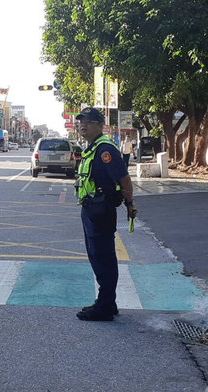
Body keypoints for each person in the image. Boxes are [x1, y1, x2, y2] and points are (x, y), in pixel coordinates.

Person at [74, 107, 137, 321]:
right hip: (91, 208)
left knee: (103, 257)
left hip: (101, 210)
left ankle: (105, 306)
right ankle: (107, 302)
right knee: (97, 256)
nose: (83, 125)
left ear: (101, 126)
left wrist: (130, 205)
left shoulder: (104, 150)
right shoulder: (91, 148)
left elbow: (124, 179)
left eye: (90, 122)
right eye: (81, 121)